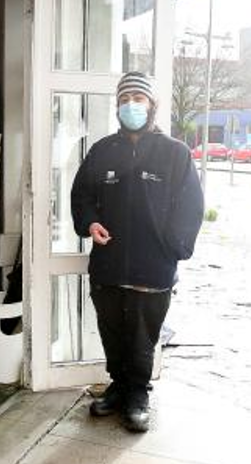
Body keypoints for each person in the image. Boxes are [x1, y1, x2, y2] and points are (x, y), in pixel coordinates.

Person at [70, 71, 204, 433]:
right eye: (125, 99)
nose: (131, 105)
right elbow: (81, 194)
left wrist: (172, 248)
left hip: (152, 267)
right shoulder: (103, 150)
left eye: (138, 99)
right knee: (112, 329)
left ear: (152, 106)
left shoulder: (174, 153)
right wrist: (89, 223)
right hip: (109, 264)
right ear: (117, 106)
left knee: (143, 335)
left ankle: (138, 394)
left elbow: (191, 207)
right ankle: (118, 385)